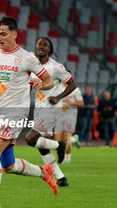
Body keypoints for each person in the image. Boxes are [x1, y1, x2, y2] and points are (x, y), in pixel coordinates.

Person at [0, 16, 56, 208]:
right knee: (7, 165)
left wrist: (42, 85)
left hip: (16, 113)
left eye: (4, 34)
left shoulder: (27, 58)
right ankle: (45, 172)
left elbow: (48, 80)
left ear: (15, 34)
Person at [25, 37, 77, 187]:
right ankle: (61, 178)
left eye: (45, 45)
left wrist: (58, 97)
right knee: (41, 147)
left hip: (51, 109)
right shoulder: (33, 65)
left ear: (49, 49)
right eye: (39, 44)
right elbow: (30, 85)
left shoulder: (55, 67)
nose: (41, 46)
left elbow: (72, 83)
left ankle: (59, 145)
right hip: (39, 108)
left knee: (30, 139)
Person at [55, 85, 84, 164]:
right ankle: (74, 139)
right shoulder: (58, 87)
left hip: (70, 116)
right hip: (59, 115)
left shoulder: (75, 89)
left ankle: (67, 158)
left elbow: (81, 103)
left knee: (66, 138)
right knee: (58, 140)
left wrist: (71, 103)